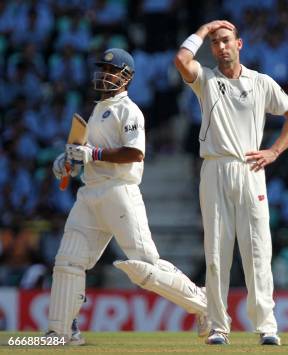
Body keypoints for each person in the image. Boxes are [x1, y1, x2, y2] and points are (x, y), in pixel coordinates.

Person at [47, 48, 209, 345]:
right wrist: (68, 161)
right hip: (90, 194)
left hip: (118, 192)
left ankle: (205, 304)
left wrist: (91, 154)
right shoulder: (96, 110)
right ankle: (62, 332)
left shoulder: (129, 110)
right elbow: (89, 150)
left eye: (111, 71)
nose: (104, 75)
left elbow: (134, 153)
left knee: (145, 266)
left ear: (127, 77)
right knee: (68, 261)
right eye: (102, 70)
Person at [174, 20, 288, 346]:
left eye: (226, 40)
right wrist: (202, 31)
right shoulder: (205, 79)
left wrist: (275, 151)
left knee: (258, 250)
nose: (221, 47)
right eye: (216, 42)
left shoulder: (260, 82)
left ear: (239, 44)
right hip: (215, 168)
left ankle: (266, 326)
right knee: (216, 253)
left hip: (250, 170)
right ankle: (219, 326)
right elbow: (181, 61)